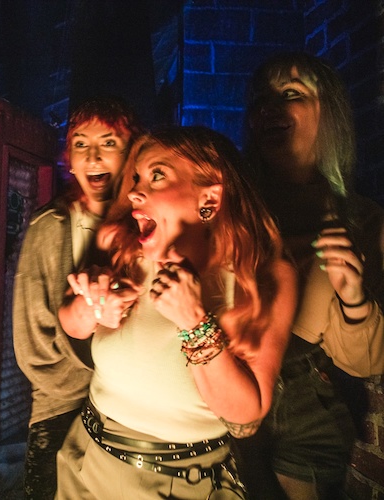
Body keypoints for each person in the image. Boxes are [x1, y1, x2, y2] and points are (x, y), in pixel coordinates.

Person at [55, 126, 297, 499]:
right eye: (137, 177)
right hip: (84, 459)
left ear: (209, 198)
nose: (135, 191)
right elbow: (71, 324)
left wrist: (194, 322)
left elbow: (246, 417)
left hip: (178, 482)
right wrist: (92, 305)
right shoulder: (124, 246)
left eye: (157, 175)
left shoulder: (262, 274)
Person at [233, 51, 384, 500]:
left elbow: (365, 363)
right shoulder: (230, 203)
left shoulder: (363, 220)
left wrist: (353, 298)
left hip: (308, 404)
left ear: (328, 111)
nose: (269, 109)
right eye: (261, 100)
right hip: (226, 382)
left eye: (290, 94)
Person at [12, 95, 143, 499]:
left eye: (108, 143)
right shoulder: (50, 227)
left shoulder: (145, 227)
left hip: (129, 415)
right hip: (61, 411)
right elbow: (33, 349)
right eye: (81, 143)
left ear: (132, 153)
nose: (93, 156)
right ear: (68, 157)